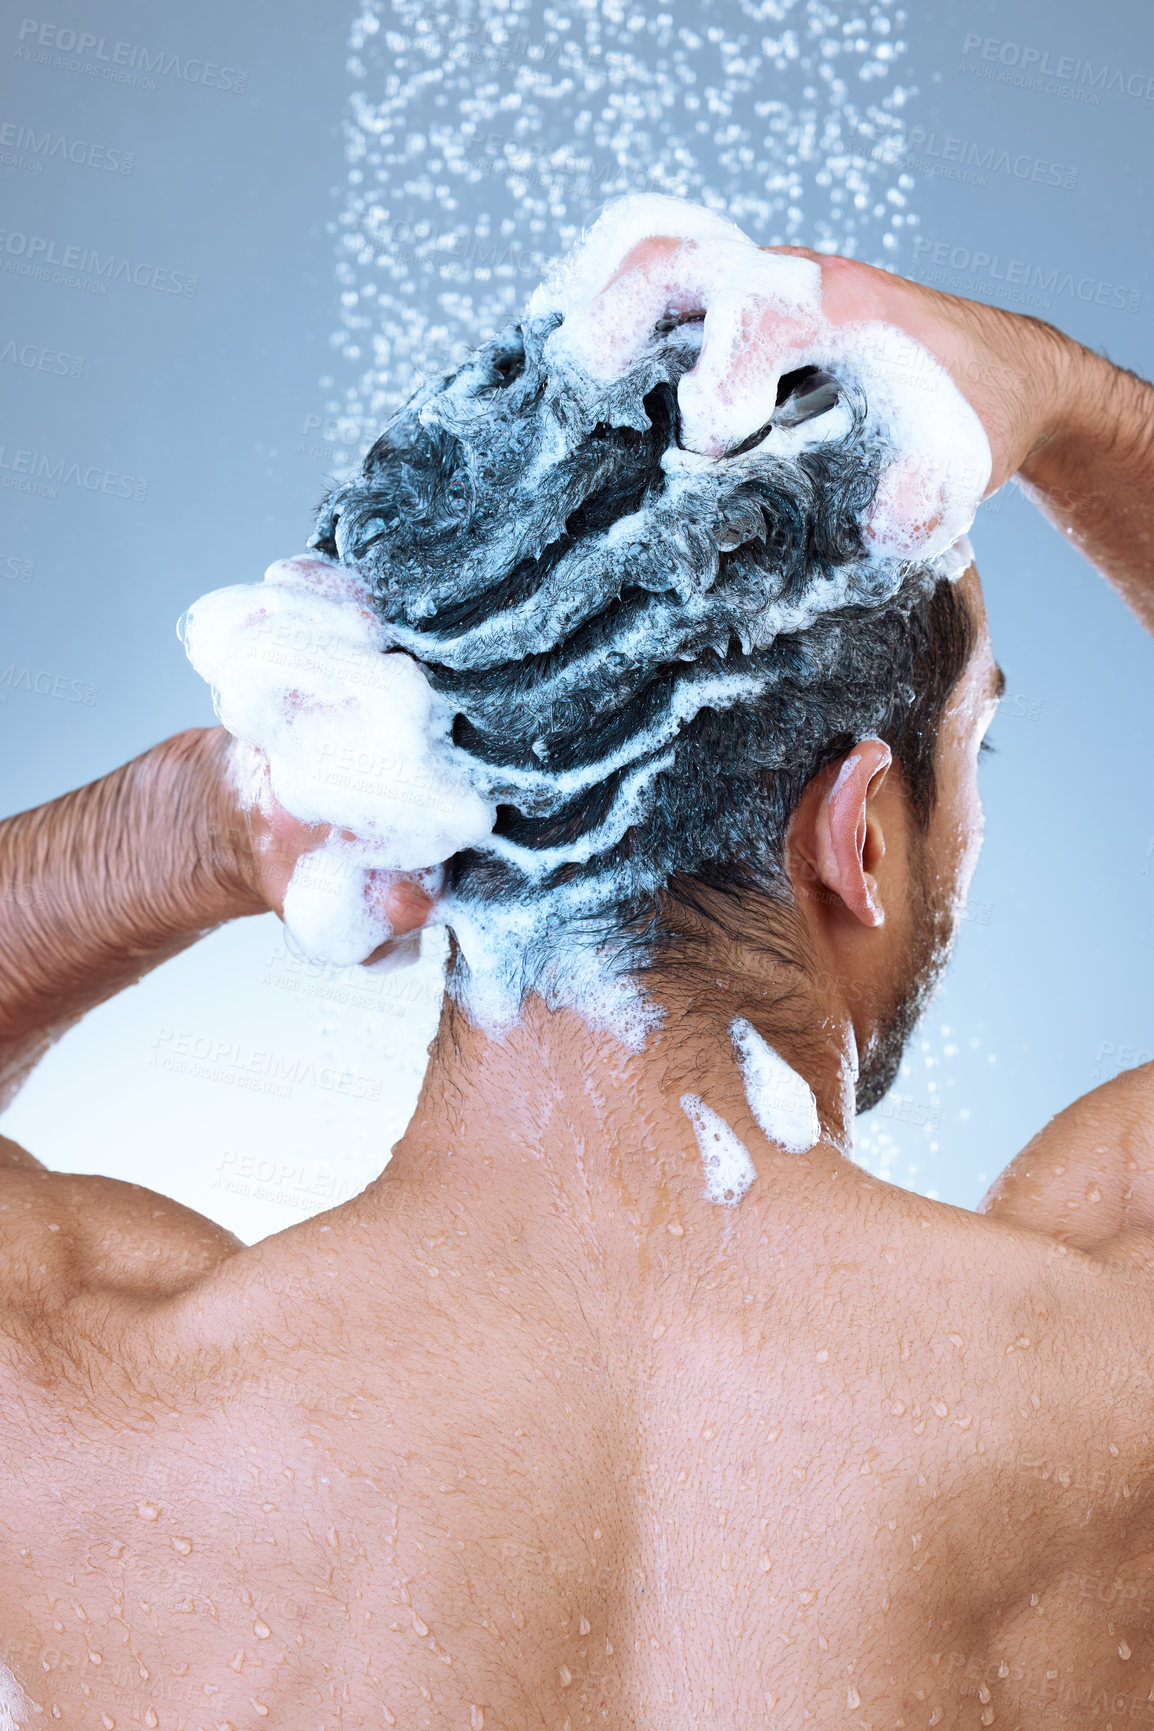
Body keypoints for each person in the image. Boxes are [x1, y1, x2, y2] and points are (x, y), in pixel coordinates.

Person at [0, 230, 1152, 1731]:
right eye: (967, 752)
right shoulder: (1106, 1369)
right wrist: (1071, 405)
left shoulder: (97, 1400)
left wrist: (187, 828)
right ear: (855, 834)